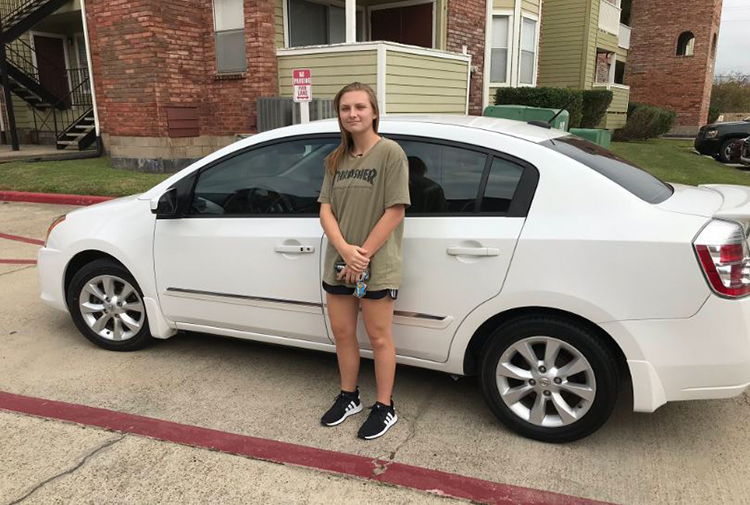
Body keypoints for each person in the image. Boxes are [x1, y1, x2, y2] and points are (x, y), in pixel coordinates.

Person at [317, 82, 411, 440]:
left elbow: (395, 210)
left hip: (377, 264)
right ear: (339, 115)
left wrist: (362, 256)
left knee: (379, 336)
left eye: (359, 107)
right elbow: (325, 210)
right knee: (342, 333)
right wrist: (344, 249)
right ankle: (349, 397)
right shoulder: (336, 159)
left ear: (373, 112)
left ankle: (385, 406)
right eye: (345, 108)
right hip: (340, 262)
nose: (352, 114)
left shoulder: (390, 153)